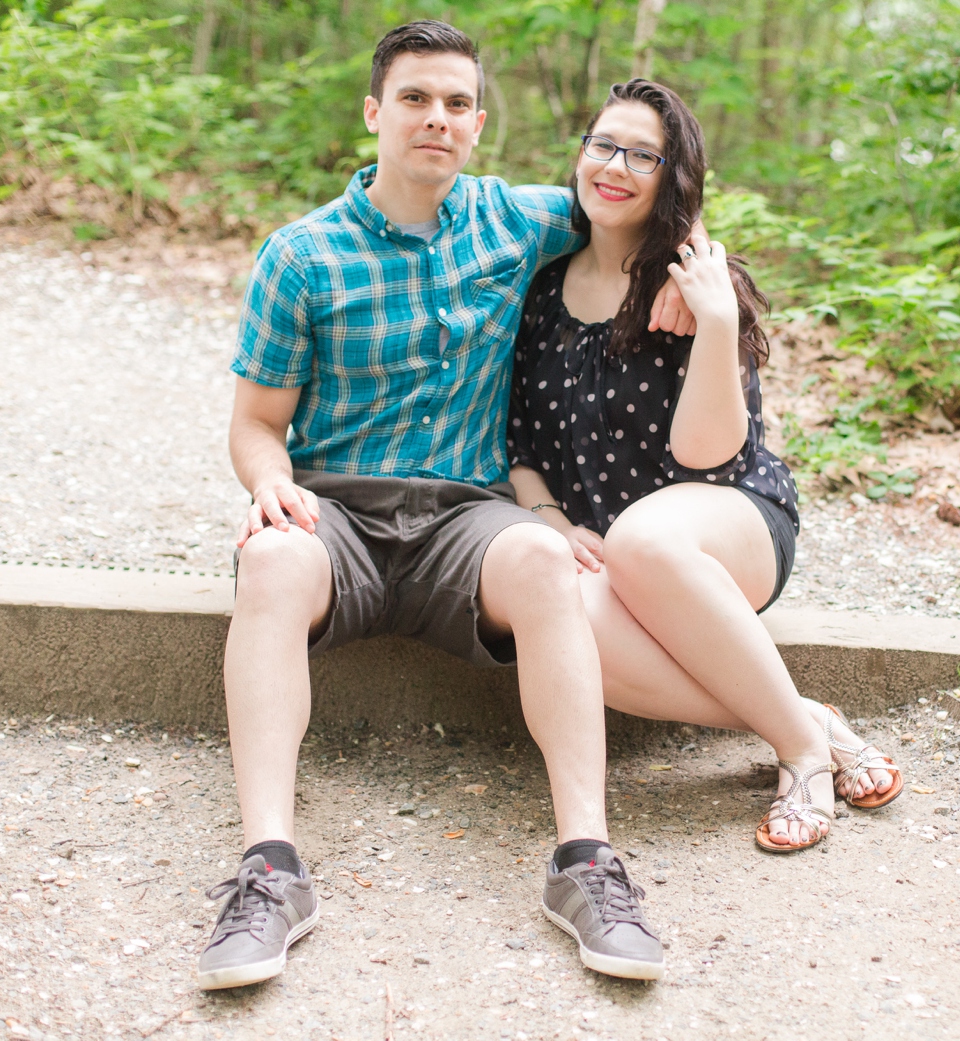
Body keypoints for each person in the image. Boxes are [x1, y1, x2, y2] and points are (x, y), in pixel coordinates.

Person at [198, 22, 699, 990]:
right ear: (374, 112)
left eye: (459, 104)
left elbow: (631, 194)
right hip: (335, 514)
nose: (439, 118)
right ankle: (269, 873)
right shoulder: (300, 258)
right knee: (266, 562)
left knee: (549, 559)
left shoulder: (513, 220)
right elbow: (256, 424)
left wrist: (693, 275)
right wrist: (268, 483)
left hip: (464, 524)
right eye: (418, 99)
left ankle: (585, 862)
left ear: (478, 124)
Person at [506, 80, 904, 855]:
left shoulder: (697, 286)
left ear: (672, 176)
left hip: (726, 525)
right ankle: (805, 718)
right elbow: (520, 444)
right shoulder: (541, 288)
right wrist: (550, 519)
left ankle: (798, 757)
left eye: (643, 155)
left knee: (644, 540)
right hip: (606, 548)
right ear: (580, 153)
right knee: (560, 618)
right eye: (603, 145)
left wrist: (718, 317)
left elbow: (706, 454)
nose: (615, 166)